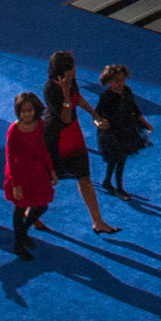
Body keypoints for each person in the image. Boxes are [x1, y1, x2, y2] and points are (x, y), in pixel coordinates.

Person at [43, 51, 120, 235]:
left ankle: (98, 221)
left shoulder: (72, 81)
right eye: (70, 67)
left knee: (84, 177)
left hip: (73, 136)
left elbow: (79, 99)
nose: (74, 69)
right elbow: (66, 117)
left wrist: (96, 115)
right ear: (61, 71)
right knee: (47, 179)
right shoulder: (50, 89)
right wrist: (65, 93)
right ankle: (31, 210)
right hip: (56, 138)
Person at [2, 91, 57, 257]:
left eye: (30, 110)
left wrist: (51, 170)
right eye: (23, 111)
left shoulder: (39, 124)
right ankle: (19, 244)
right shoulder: (14, 130)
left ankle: (23, 232)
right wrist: (16, 185)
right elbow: (10, 158)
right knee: (20, 209)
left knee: (42, 205)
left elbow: (41, 147)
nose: (27, 114)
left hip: (36, 170)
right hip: (19, 173)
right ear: (18, 112)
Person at [93, 63, 150, 196]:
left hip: (125, 130)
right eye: (116, 81)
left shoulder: (127, 91)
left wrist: (145, 122)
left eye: (122, 80)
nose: (120, 83)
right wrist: (99, 124)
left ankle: (112, 183)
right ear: (108, 82)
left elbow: (134, 108)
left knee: (121, 159)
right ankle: (116, 187)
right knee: (115, 159)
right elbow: (97, 114)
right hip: (111, 133)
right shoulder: (106, 96)